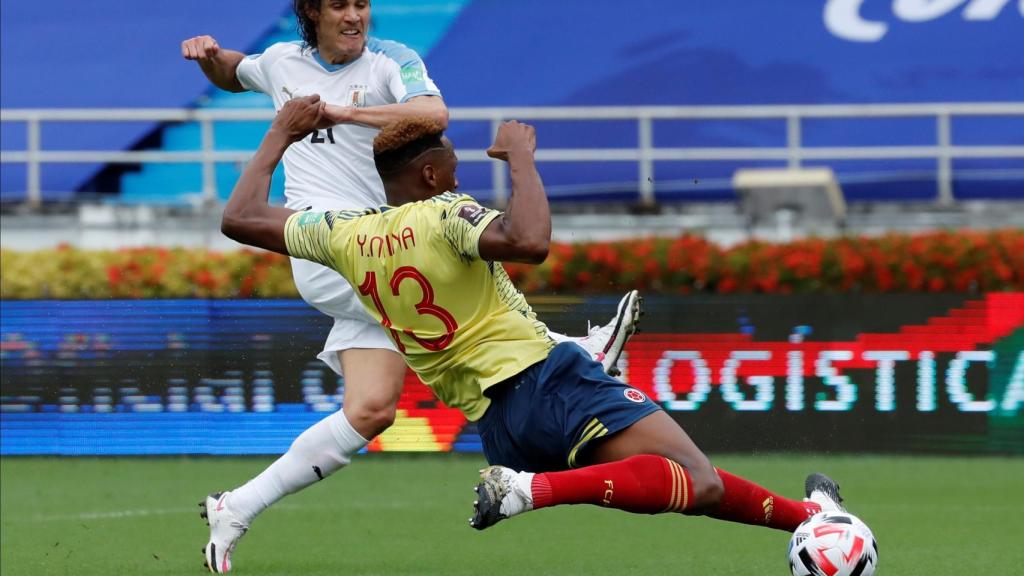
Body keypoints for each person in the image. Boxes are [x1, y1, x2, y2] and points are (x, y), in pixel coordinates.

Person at [219, 95, 848, 570]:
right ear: (432, 176)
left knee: (682, 482)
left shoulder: (344, 234)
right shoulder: (445, 214)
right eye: (454, 169)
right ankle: (531, 487)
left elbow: (240, 217)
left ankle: (811, 518)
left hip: (498, 426)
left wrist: (280, 133)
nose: (460, 179)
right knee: (695, 477)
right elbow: (530, 241)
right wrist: (521, 158)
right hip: (545, 381)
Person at [184, 2, 638, 572]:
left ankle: (236, 507)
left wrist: (341, 115)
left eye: (361, 4)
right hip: (337, 249)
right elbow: (234, 71)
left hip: (382, 250)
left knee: (370, 411)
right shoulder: (280, 61)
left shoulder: (388, 63)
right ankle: (572, 350)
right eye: (339, 5)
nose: (354, 16)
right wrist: (208, 56)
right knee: (452, 269)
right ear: (311, 13)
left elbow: (434, 113)